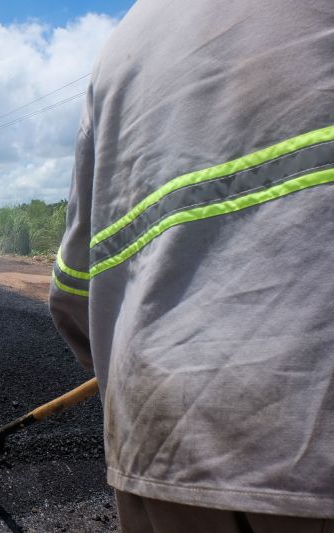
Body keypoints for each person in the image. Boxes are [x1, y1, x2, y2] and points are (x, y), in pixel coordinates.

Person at [49, 1, 334, 531]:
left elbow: (70, 290)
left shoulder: (119, 48)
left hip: (154, 435)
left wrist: (110, 366)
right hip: (304, 443)